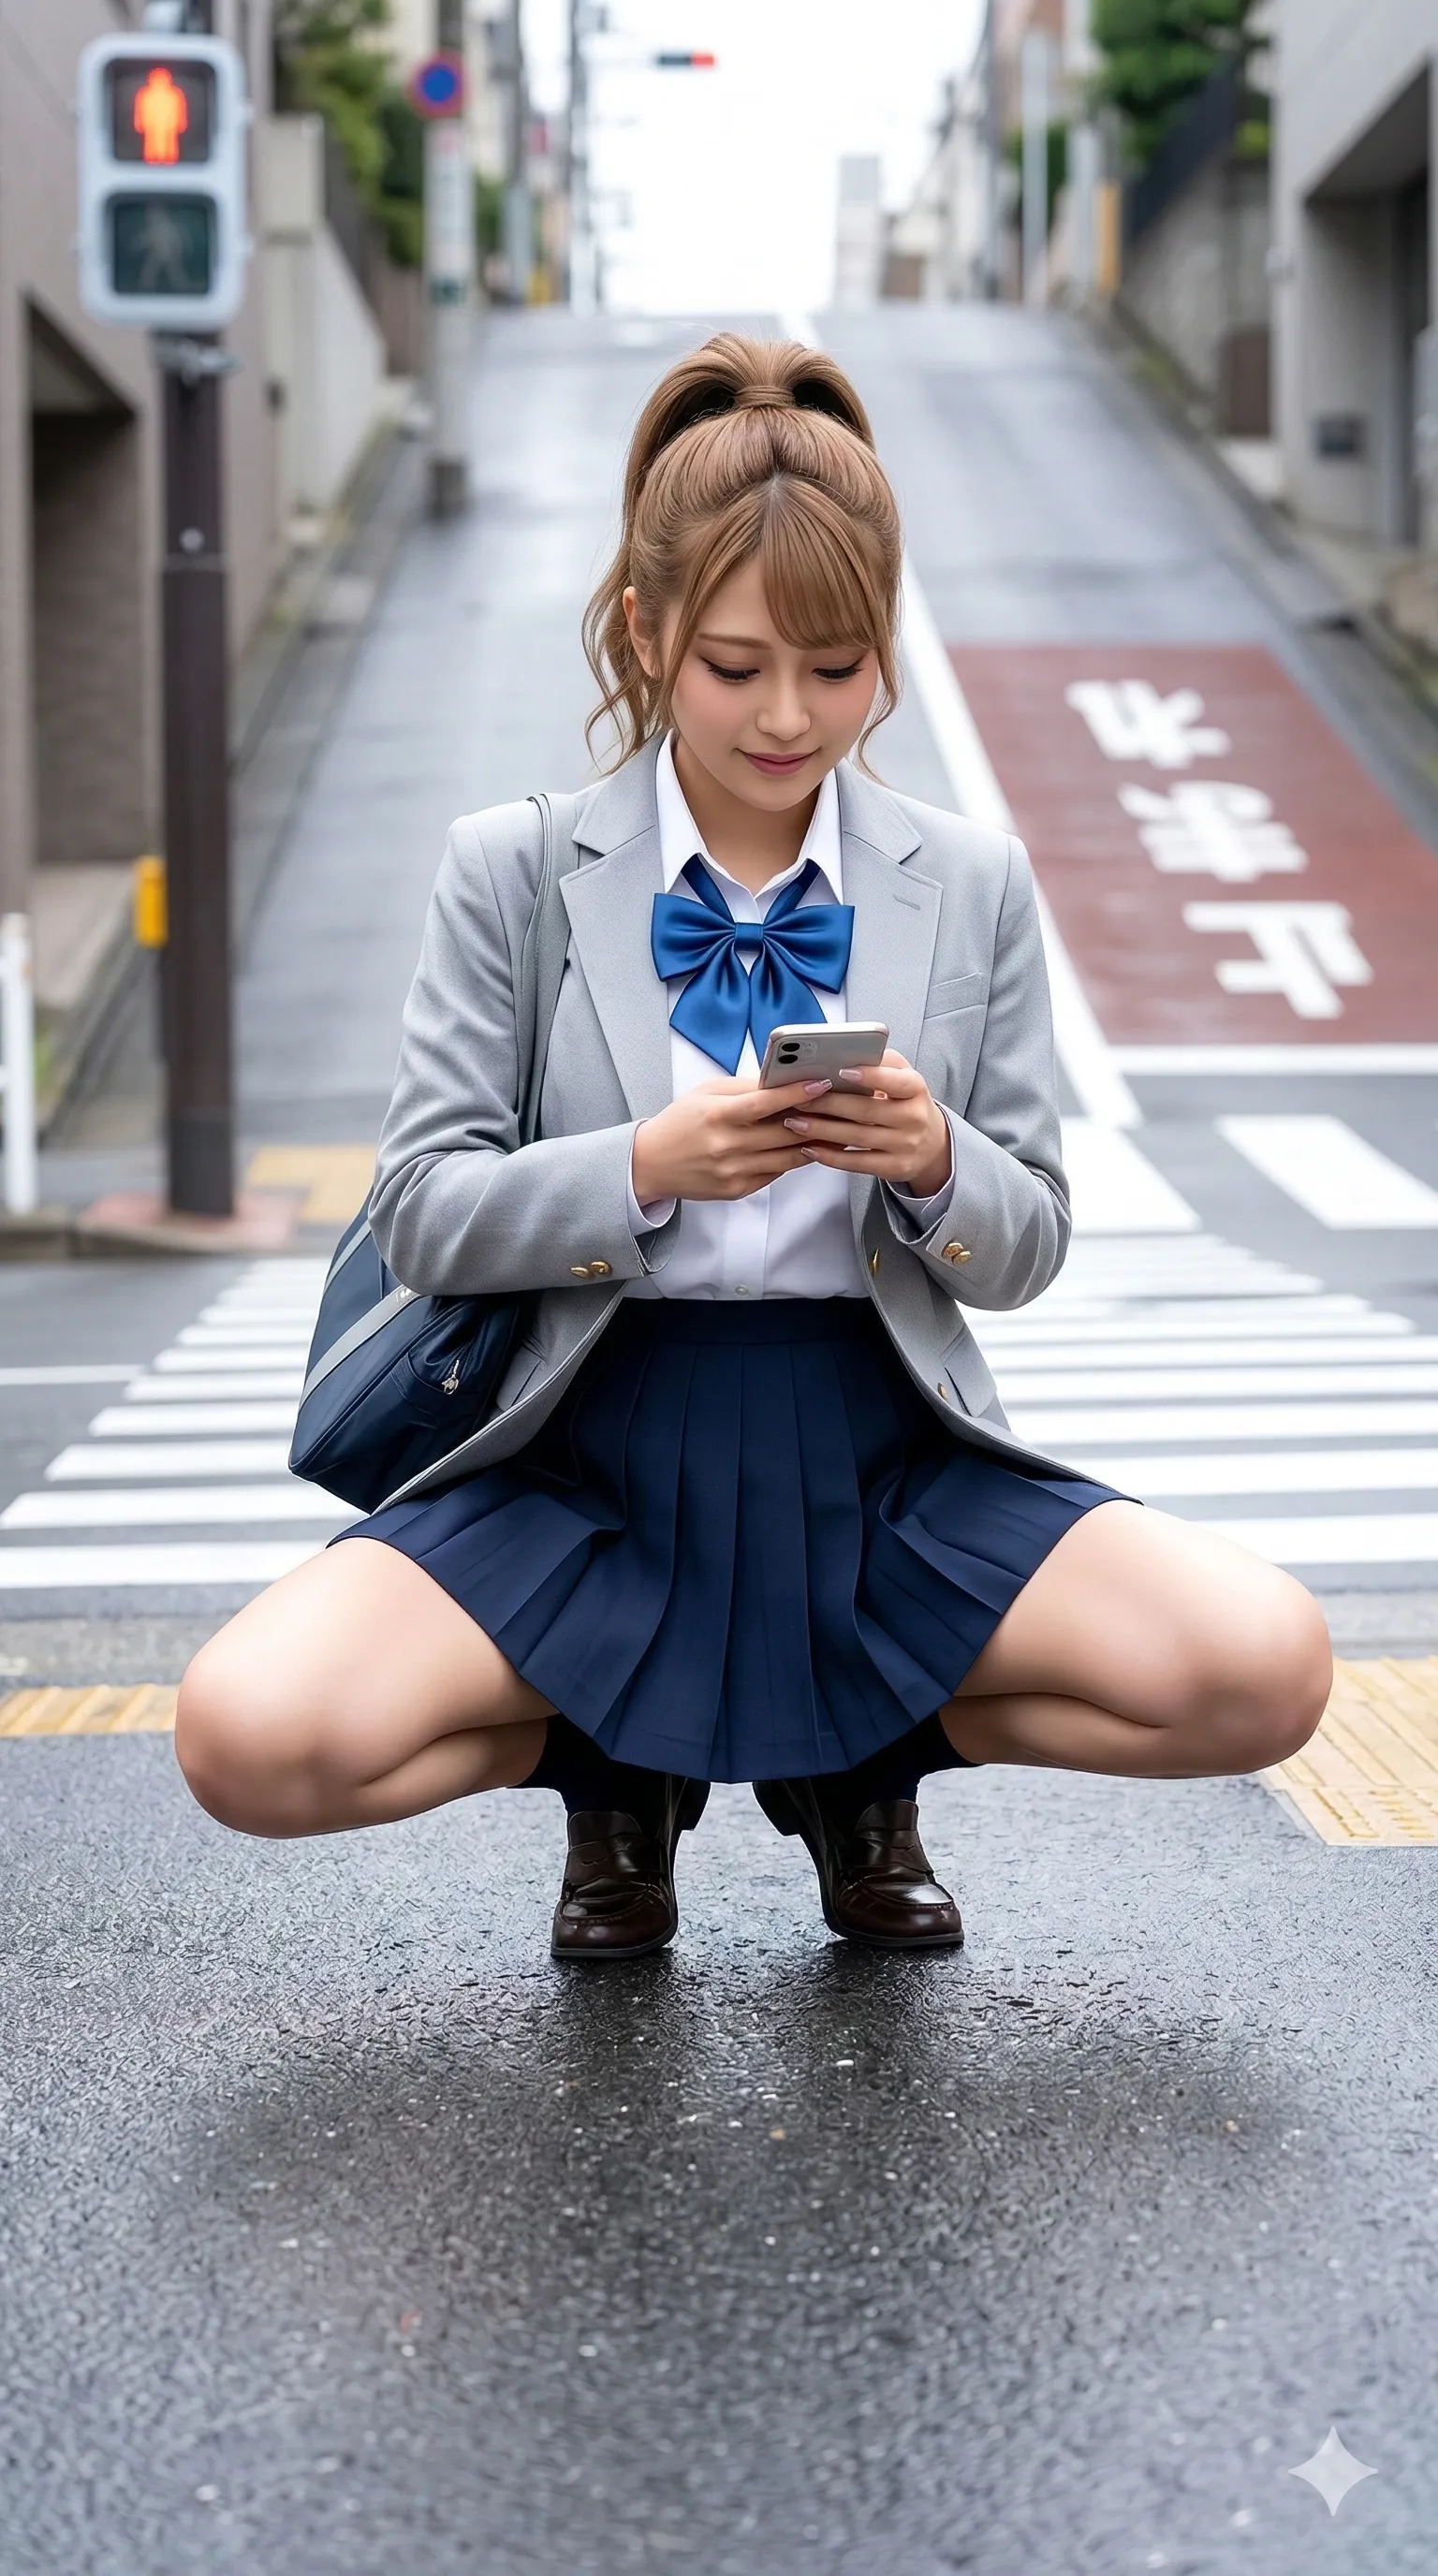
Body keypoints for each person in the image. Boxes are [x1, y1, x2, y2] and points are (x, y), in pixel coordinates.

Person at [174, 334, 1331, 1961]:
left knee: (1265, 1668)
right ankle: (609, 1764)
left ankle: (869, 1757)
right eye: (733, 667)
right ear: (644, 632)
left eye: (838, 665)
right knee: (249, 1738)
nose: (790, 717)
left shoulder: (968, 880)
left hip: (884, 1449)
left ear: (887, 650)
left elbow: (1035, 1237)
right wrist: (646, 1167)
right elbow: (424, 1211)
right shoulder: (515, 869)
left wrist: (931, 1161)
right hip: (585, 1448)